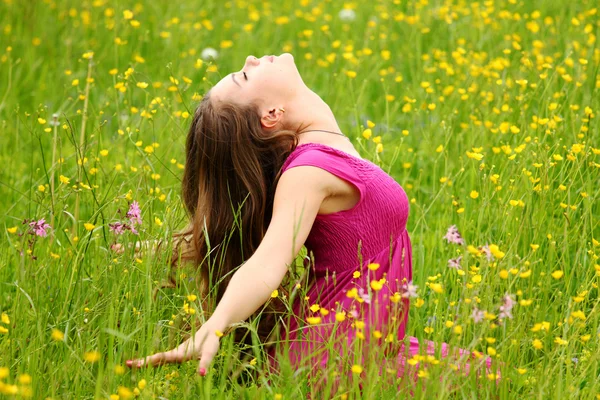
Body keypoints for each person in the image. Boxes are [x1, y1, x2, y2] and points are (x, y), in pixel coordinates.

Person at [125, 53, 497, 395]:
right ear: (271, 114)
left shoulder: (314, 156)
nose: (251, 59)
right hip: (326, 362)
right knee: (484, 383)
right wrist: (215, 325)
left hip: (354, 346)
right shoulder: (307, 171)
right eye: (243, 75)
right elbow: (269, 262)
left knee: (487, 376)